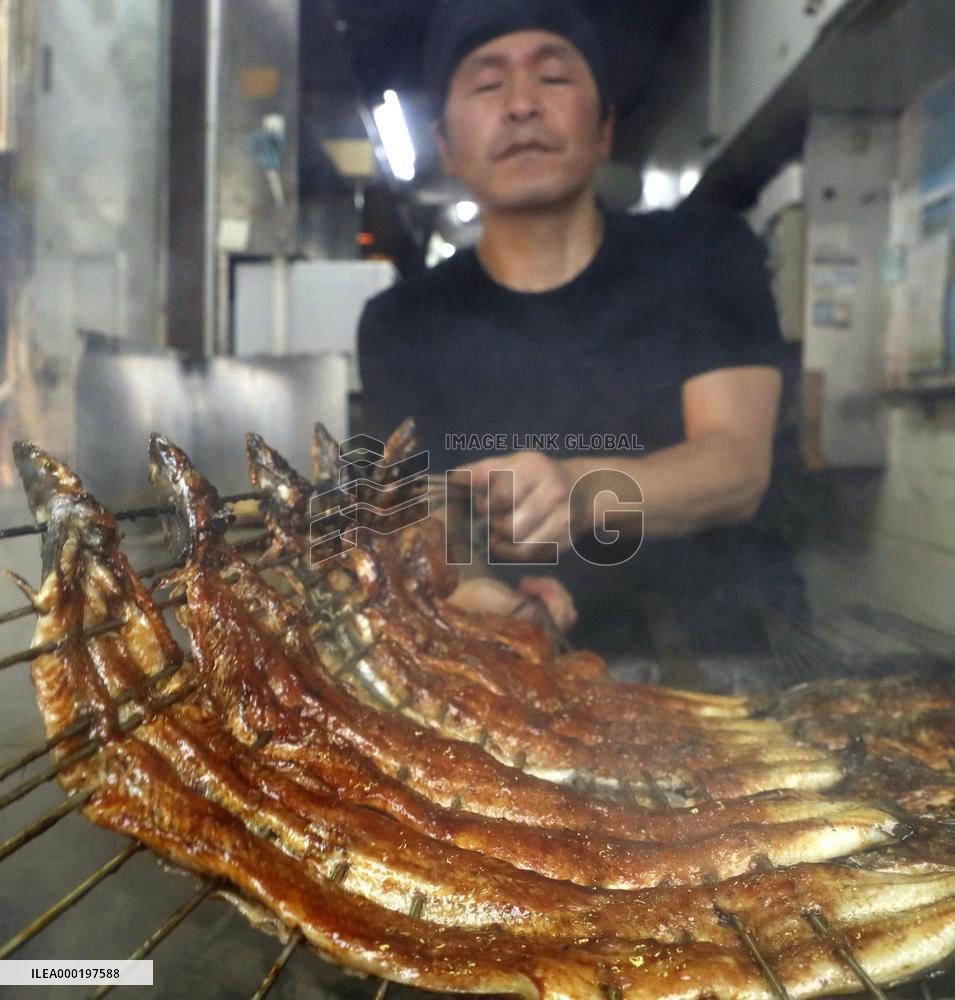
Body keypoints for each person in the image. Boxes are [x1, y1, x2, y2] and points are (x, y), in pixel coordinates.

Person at [358, 0, 806, 678]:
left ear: (603, 130)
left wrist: (581, 489)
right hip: (520, 670)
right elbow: (425, 507)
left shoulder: (702, 252)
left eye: (554, 78)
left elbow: (736, 467)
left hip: (724, 653)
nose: (521, 105)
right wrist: (470, 590)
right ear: (444, 144)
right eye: (486, 83)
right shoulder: (403, 320)